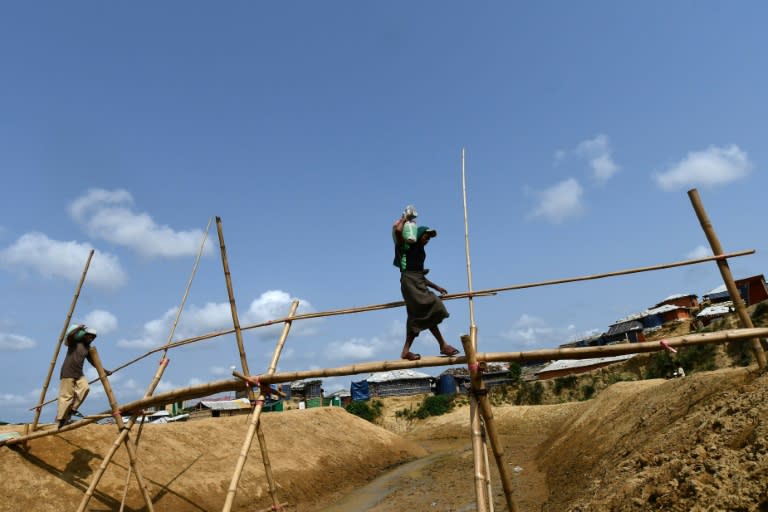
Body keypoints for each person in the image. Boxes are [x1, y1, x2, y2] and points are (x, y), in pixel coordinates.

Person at [393, 214, 460, 361]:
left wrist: (437, 287)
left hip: (417, 282)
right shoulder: (406, 247)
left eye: (429, 237)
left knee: (420, 315)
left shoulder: (421, 252)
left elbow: (420, 275)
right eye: (426, 236)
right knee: (431, 305)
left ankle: (409, 351)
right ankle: (442, 344)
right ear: (418, 235)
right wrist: (404, 219)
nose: (428, 239)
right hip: (409, 283)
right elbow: (398, 232)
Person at [56, 324, 97, 429]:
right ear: (84, 335)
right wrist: (79, 328)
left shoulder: (87, 348)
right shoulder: (74, 343)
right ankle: (61, 419)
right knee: (66, 397)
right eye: (90, 336)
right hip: (67, 372)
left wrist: (105, 371)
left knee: (85, 388)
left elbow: (93, 362)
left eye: (93, 337)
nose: (91, 338)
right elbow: (69, 336)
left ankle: (73, 409)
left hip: (79, 373)